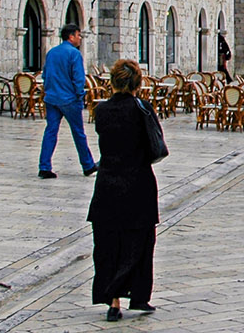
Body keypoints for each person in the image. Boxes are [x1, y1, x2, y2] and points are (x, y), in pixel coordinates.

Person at [88, 59, 159, 321]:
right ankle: (139, 296)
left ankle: (114, 301)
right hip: (138, 184)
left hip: (107, 183)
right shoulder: (142, 109)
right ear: (137, 83)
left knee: (108, 243)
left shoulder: (102, 111)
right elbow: (154, 148)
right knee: (138, 242)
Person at [38, 24, 97, 179]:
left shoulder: (51, 53)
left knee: (50, 131)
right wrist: (80, 95)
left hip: (52, 98)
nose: (80, 38)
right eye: (78, 35)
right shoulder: (74, 54)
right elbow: (78, 78)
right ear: (71, 36)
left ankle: (44, 166)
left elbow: (45, 75)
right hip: (69, 99)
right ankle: (88, 165)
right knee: (78, 132)